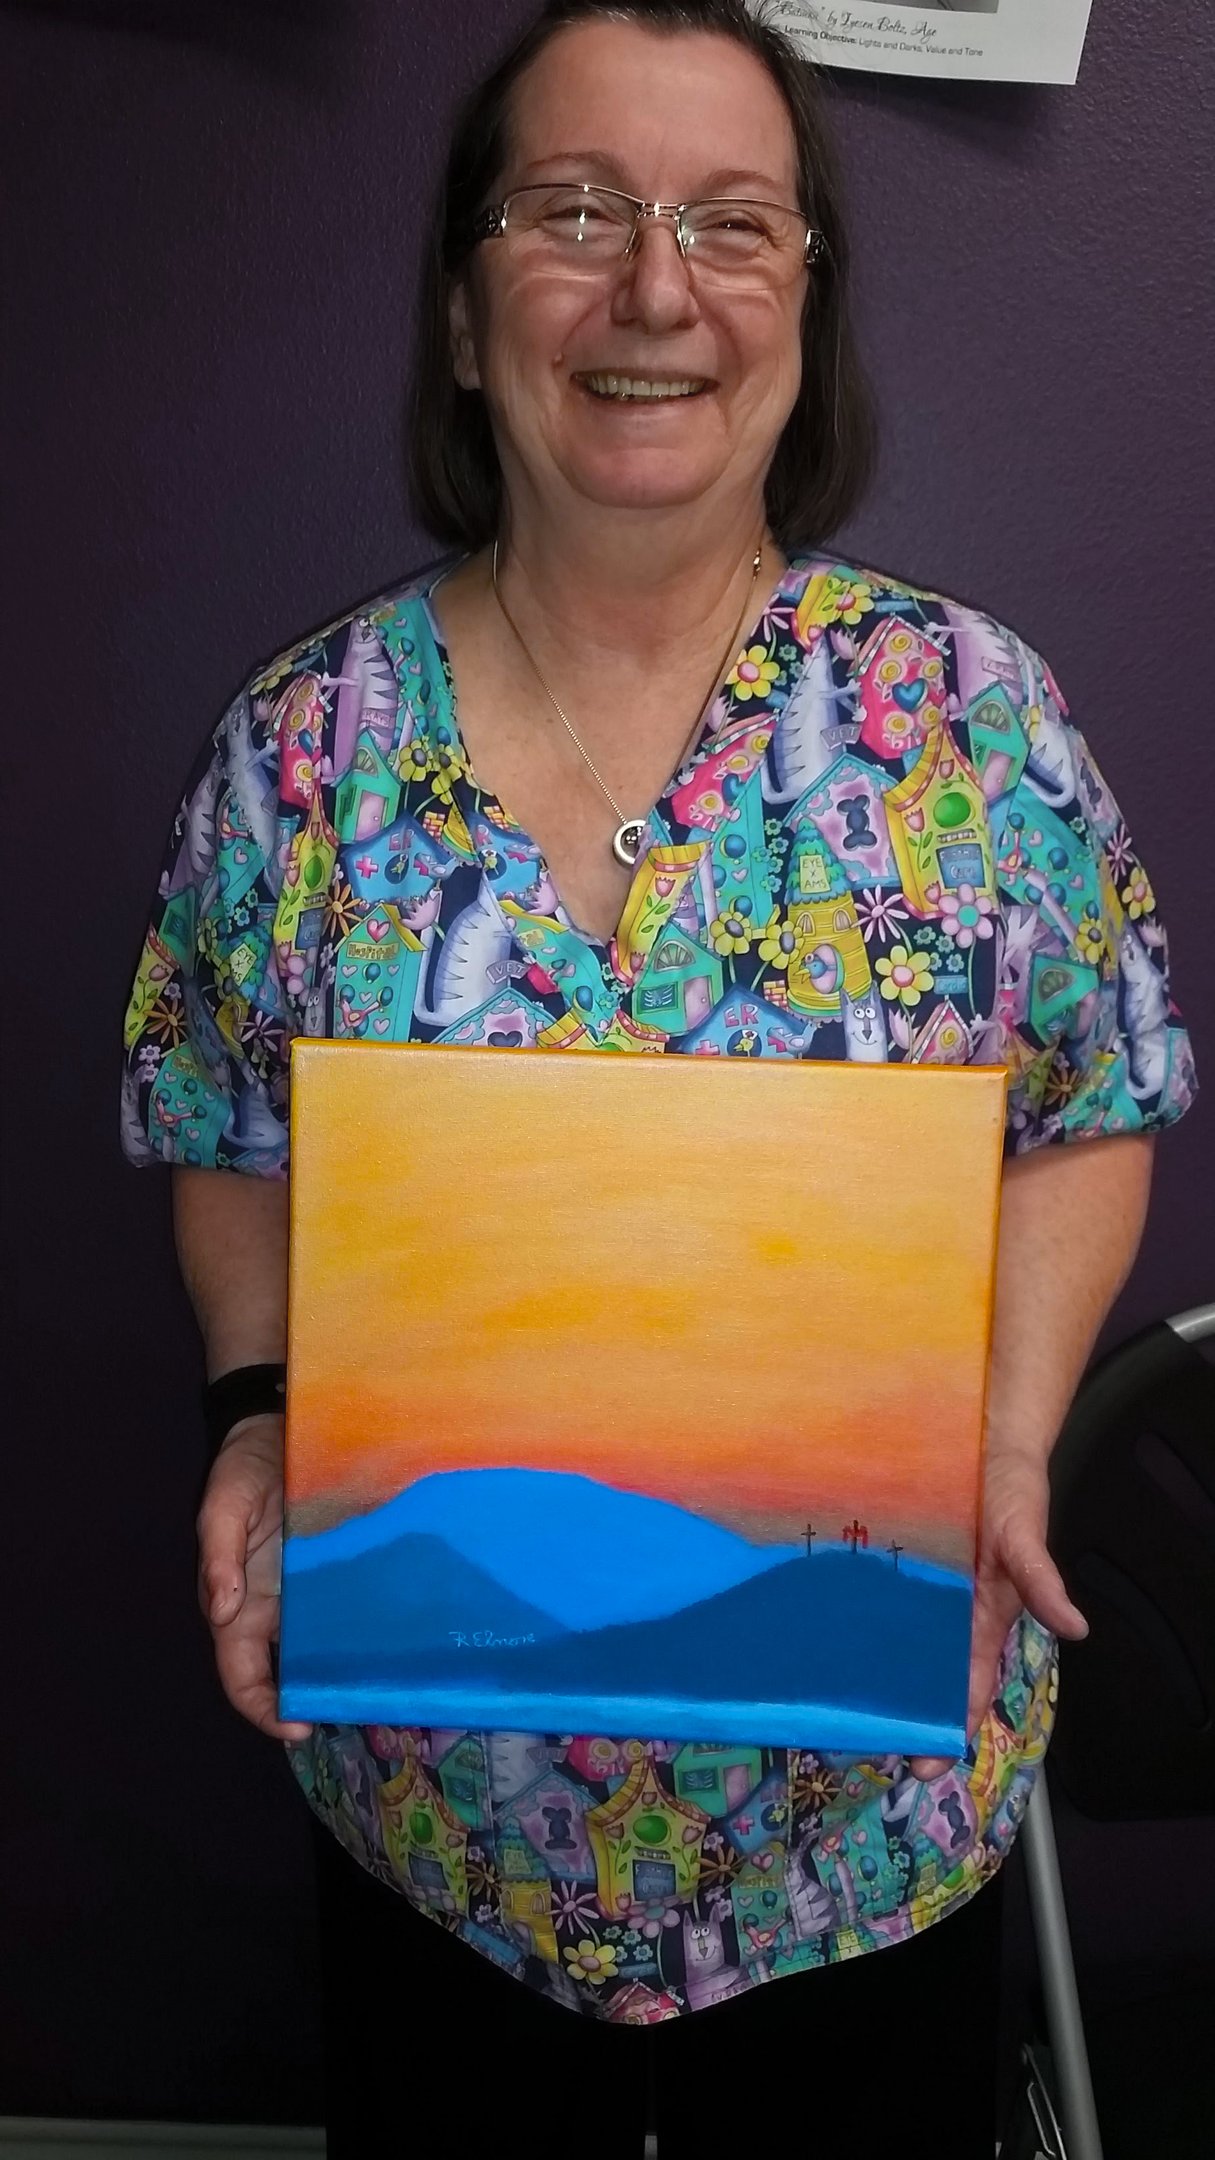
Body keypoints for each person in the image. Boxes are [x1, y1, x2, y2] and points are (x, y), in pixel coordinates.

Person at [121, 1, 1195, 2149]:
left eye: (729, 221)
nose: (652, 287)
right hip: (445, 1829)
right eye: (572, 211)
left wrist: (996, 1438)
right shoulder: (301, 752)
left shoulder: (967, 724)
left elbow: (1087, 1101)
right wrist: (256, 1415)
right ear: (459, 304)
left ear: (802, 305)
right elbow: (226, 1131)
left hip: (863, 1827)